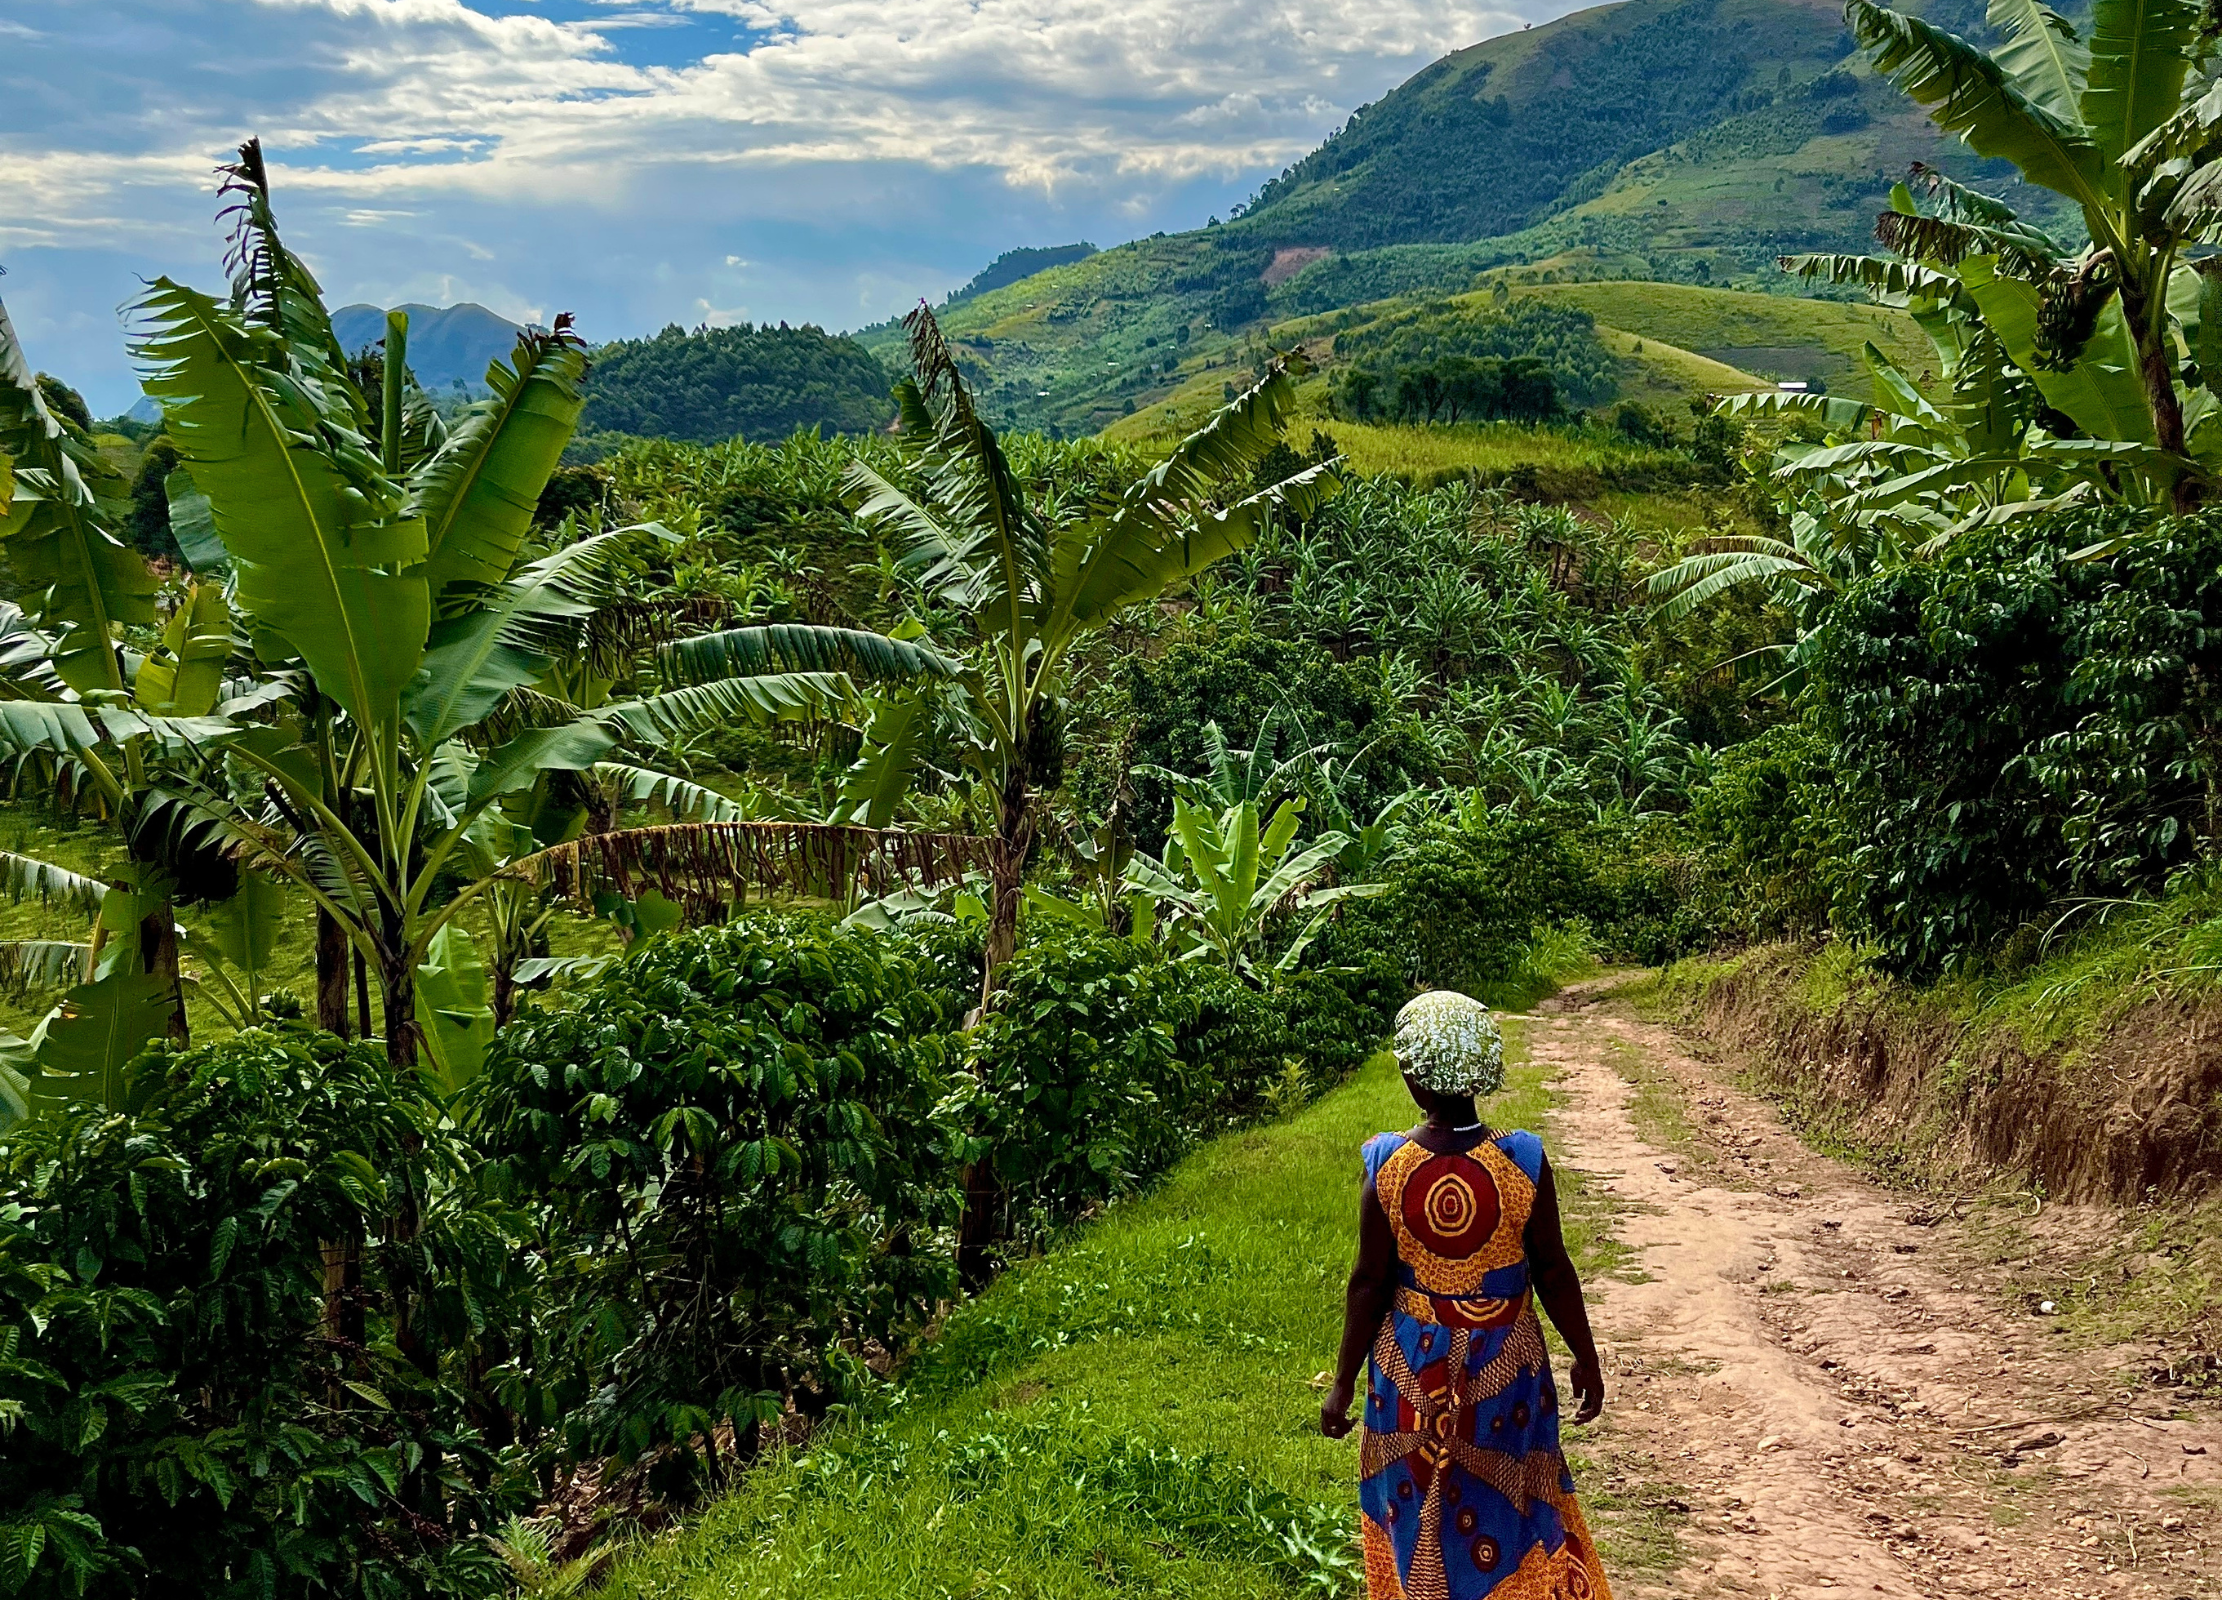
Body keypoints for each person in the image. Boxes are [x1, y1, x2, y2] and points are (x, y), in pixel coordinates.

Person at [1320, 990, 1612, 1600]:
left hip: (1408, 1373)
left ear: (1411, 1074)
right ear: (1482, 1070)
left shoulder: (1387, 1163)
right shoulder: (1524, 1160)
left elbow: (1369, 1282)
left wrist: (1344, 1381)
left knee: (1413, 1506)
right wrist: (1584, 1356)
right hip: (1505, 1373)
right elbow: (1553, 1270)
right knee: (1511, 1499)